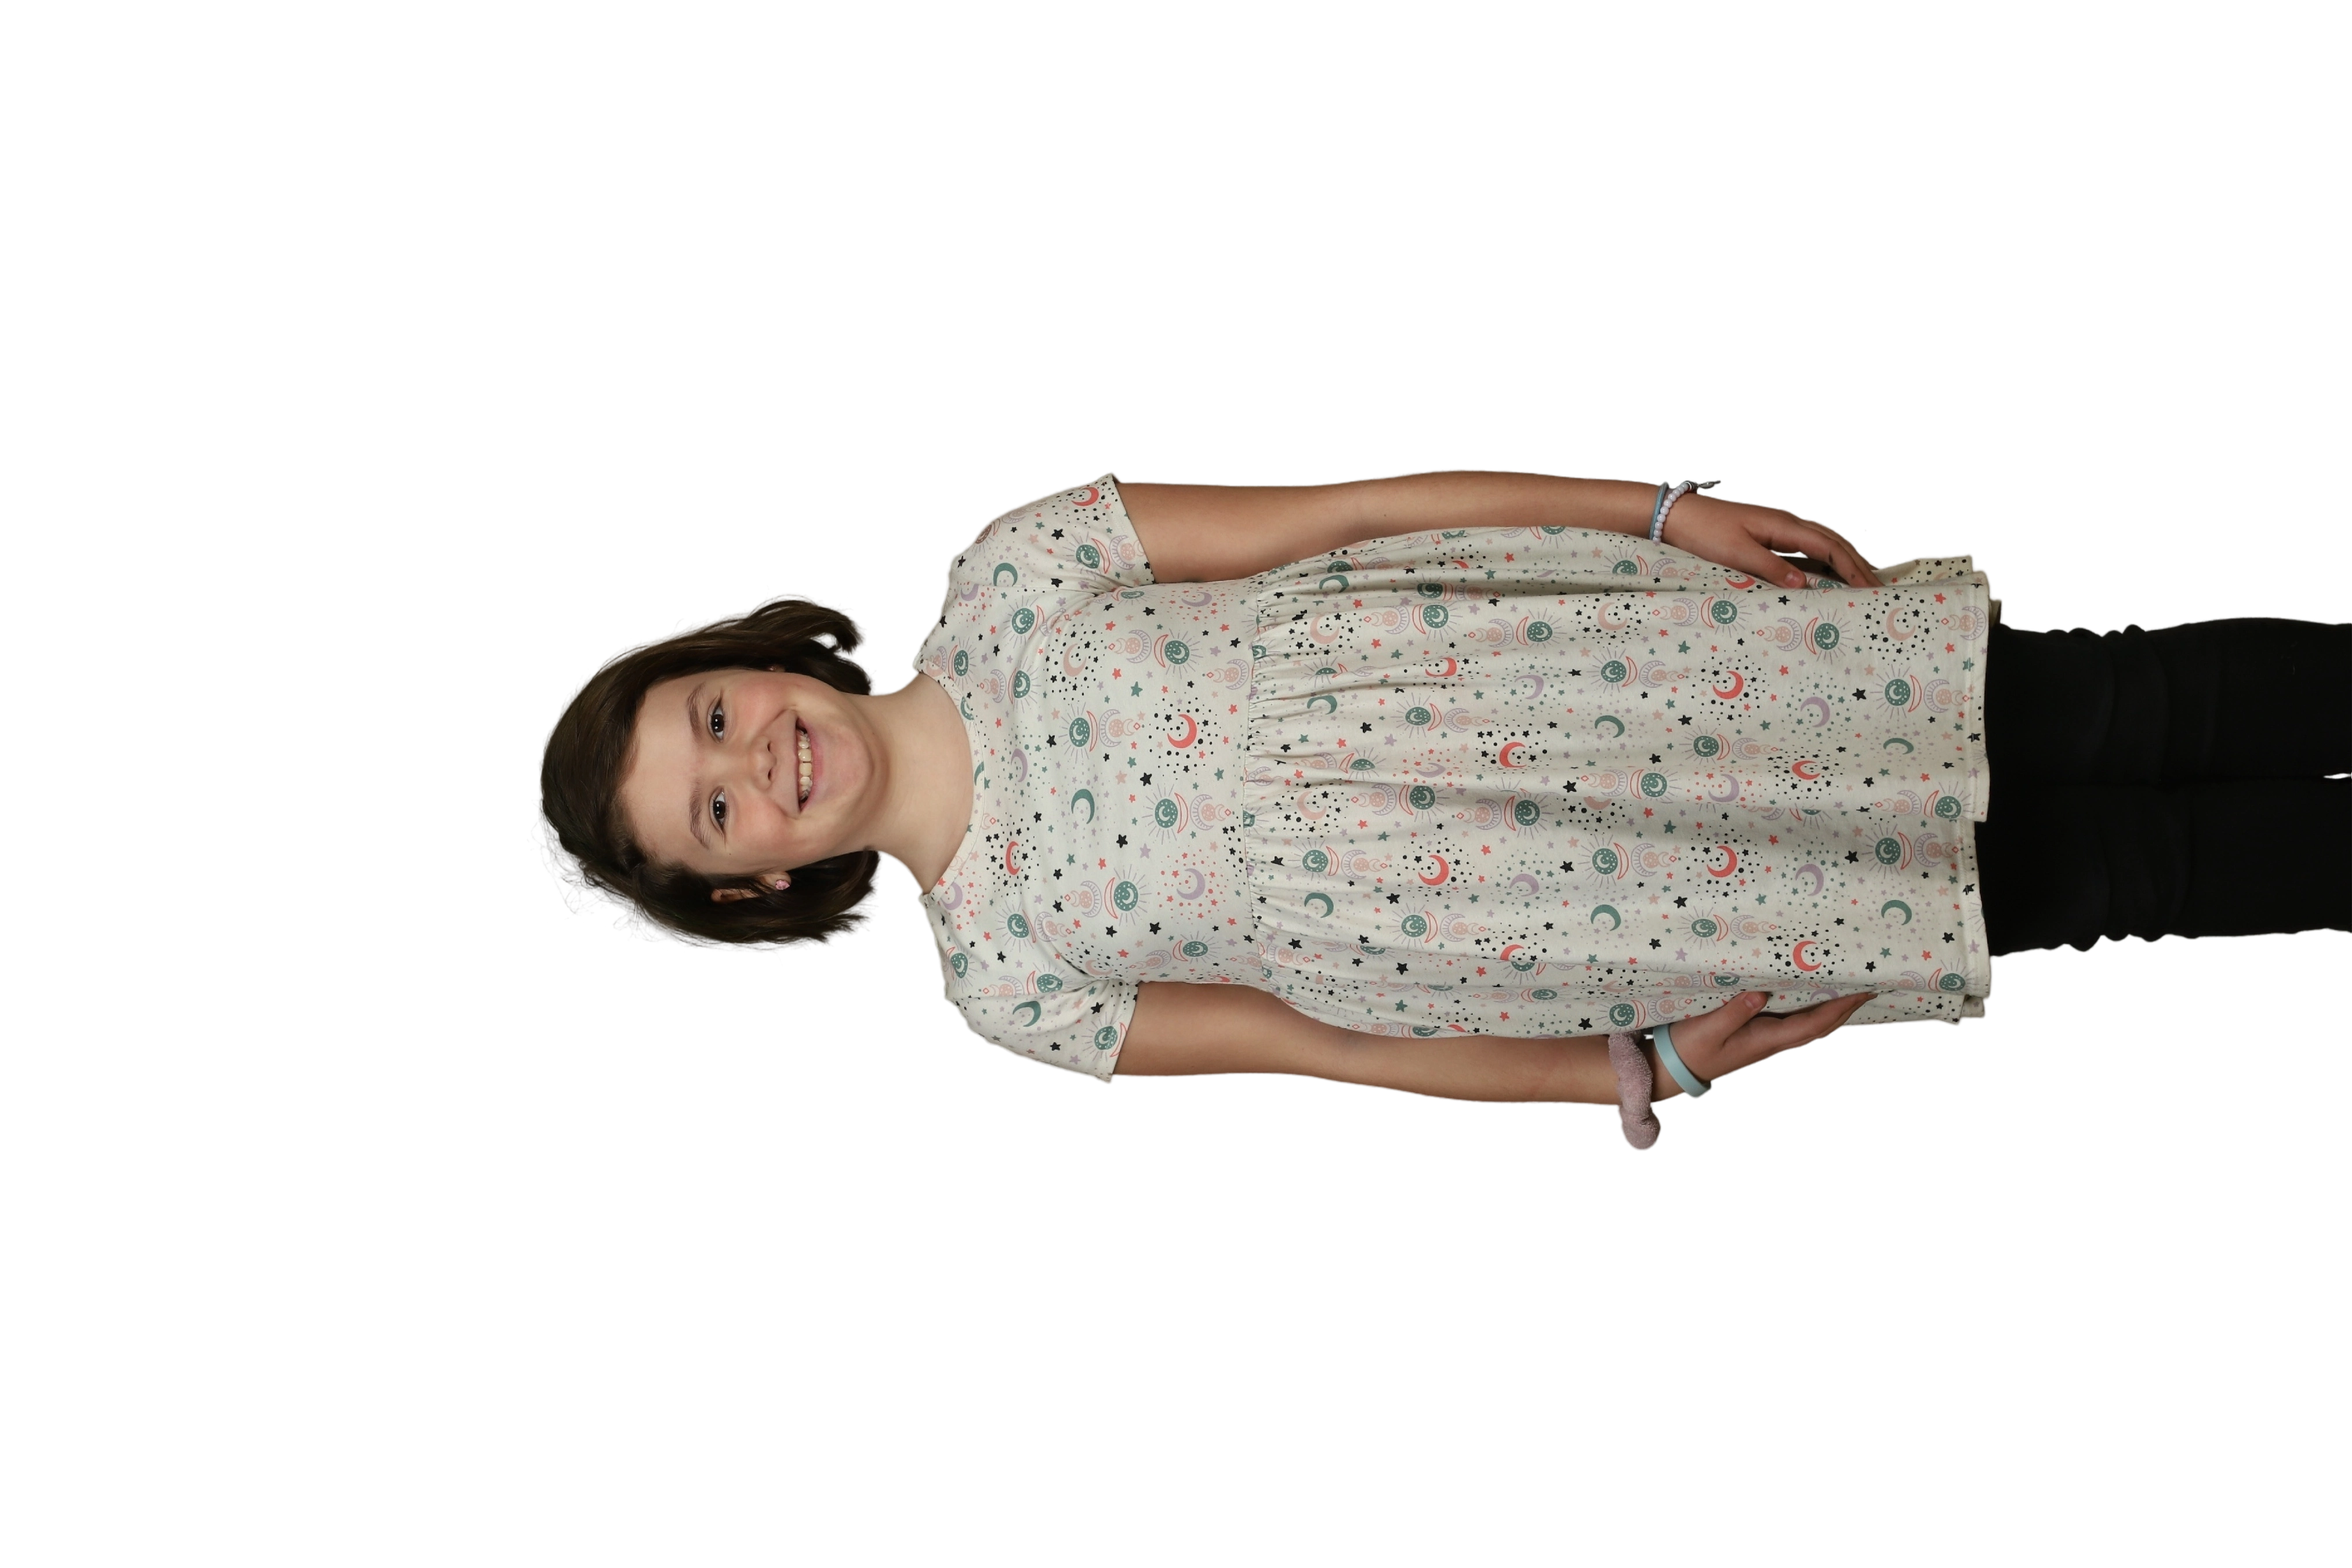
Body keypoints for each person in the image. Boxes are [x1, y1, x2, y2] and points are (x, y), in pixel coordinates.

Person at [527, 468, 2352, 1146]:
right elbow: (1323, 1045)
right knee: (2115, 876)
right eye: (714, 817)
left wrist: (1654, 513)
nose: (752, 764)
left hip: (1655, 672)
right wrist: (1639, 1066)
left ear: (744, 660)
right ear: (750, 889)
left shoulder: (1014, 572)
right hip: (1615, 913)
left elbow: (1353, 518)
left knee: (2117, 699)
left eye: (712, 720)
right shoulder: (1007, 979)